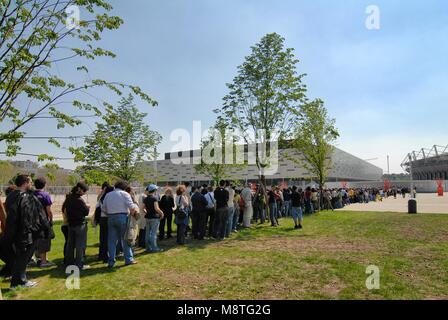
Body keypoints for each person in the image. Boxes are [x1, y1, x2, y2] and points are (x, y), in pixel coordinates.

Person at [5, 174, 50, 288]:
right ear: (25, 183)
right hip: (26, 233)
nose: (31, 184)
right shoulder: (25, 197)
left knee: (21, 258)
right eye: (30, 182)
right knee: (24, 257)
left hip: (16, 232)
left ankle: (17, 280)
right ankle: (20, 281)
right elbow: (29, 217)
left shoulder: (11, 196)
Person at [102, 181, 139, 267]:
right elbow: (132, 207)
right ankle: (128, 259)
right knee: (125, 239)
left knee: (111, 241)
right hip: (122, 217)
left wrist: (111, 213)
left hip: (110, 217)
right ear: (124, 187)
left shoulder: (108, 195)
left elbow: (103, 208)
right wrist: (133, 215)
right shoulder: (125, 194)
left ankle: (111, 261)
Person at [63, 182, 90, 270]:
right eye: (84, 191)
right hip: (80, 225)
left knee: (70, 245)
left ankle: (69, 263)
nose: (84, 193)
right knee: (80, 245)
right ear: (80, 190)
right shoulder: (79, 200)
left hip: (71, 224)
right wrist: (87, 207)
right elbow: (86, 212)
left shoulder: (68, 198)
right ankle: (79, 264)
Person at [33, 177, 54, 268]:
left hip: (33, 221)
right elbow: (48, 210)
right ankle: (43, 262)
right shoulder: (45, 195)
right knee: (44, 241)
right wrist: (51, 219)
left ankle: (38, 258)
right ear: (44, 185)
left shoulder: (31, 194)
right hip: (43, 221)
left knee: (35, 240)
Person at [95, 185, 114, 263]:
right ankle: (106, 256)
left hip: (101, 219)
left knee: (102, 238)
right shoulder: (108, 198)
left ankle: (101, 255)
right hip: (106, 218)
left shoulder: (101, 198)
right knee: (107, 238)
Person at [143, 184, 164, 253]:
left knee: (147, 233)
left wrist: (147, 212)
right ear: (154, 190)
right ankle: (154, 248)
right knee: (153, 234)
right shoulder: (154, 198)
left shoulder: (145, 198)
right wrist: (162, 213)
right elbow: (156, 208)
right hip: (154, 217)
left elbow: (143, 208)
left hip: (147, 217)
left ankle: (148, 248)